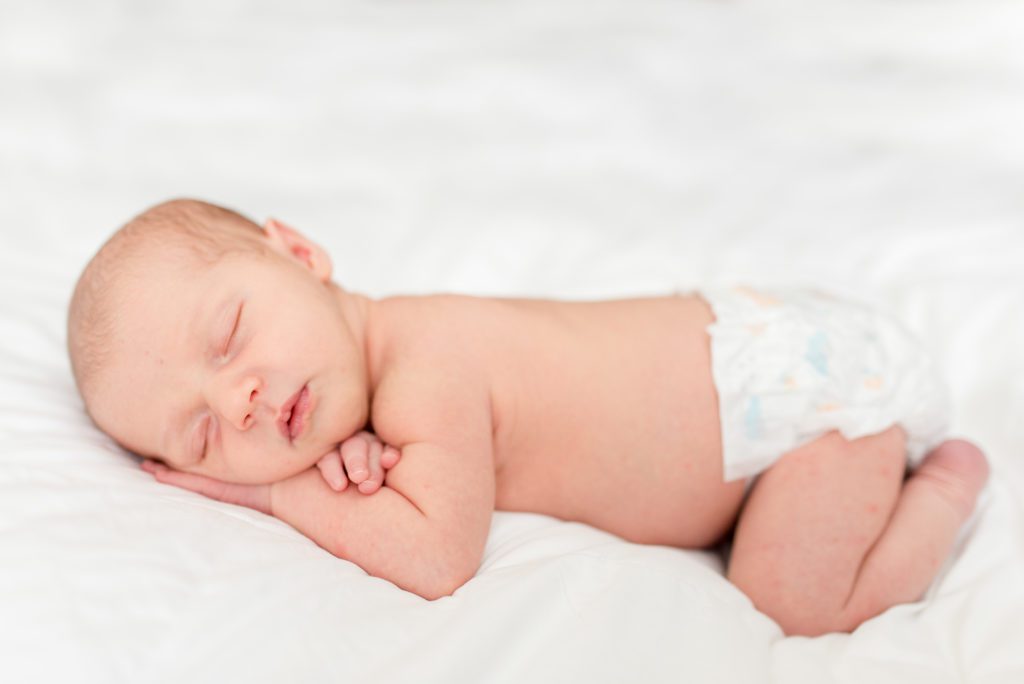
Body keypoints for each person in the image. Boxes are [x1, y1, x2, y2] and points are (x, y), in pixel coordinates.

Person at [66, 198, 990, 637]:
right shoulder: (378, 371)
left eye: (229, 335)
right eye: (204, 435)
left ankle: (941, 491)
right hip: (756, 344)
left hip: (805, 402)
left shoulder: (429, 363)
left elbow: (436, 554)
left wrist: (280, 499)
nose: (243, 401)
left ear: (303, 254)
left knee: (792, 601)